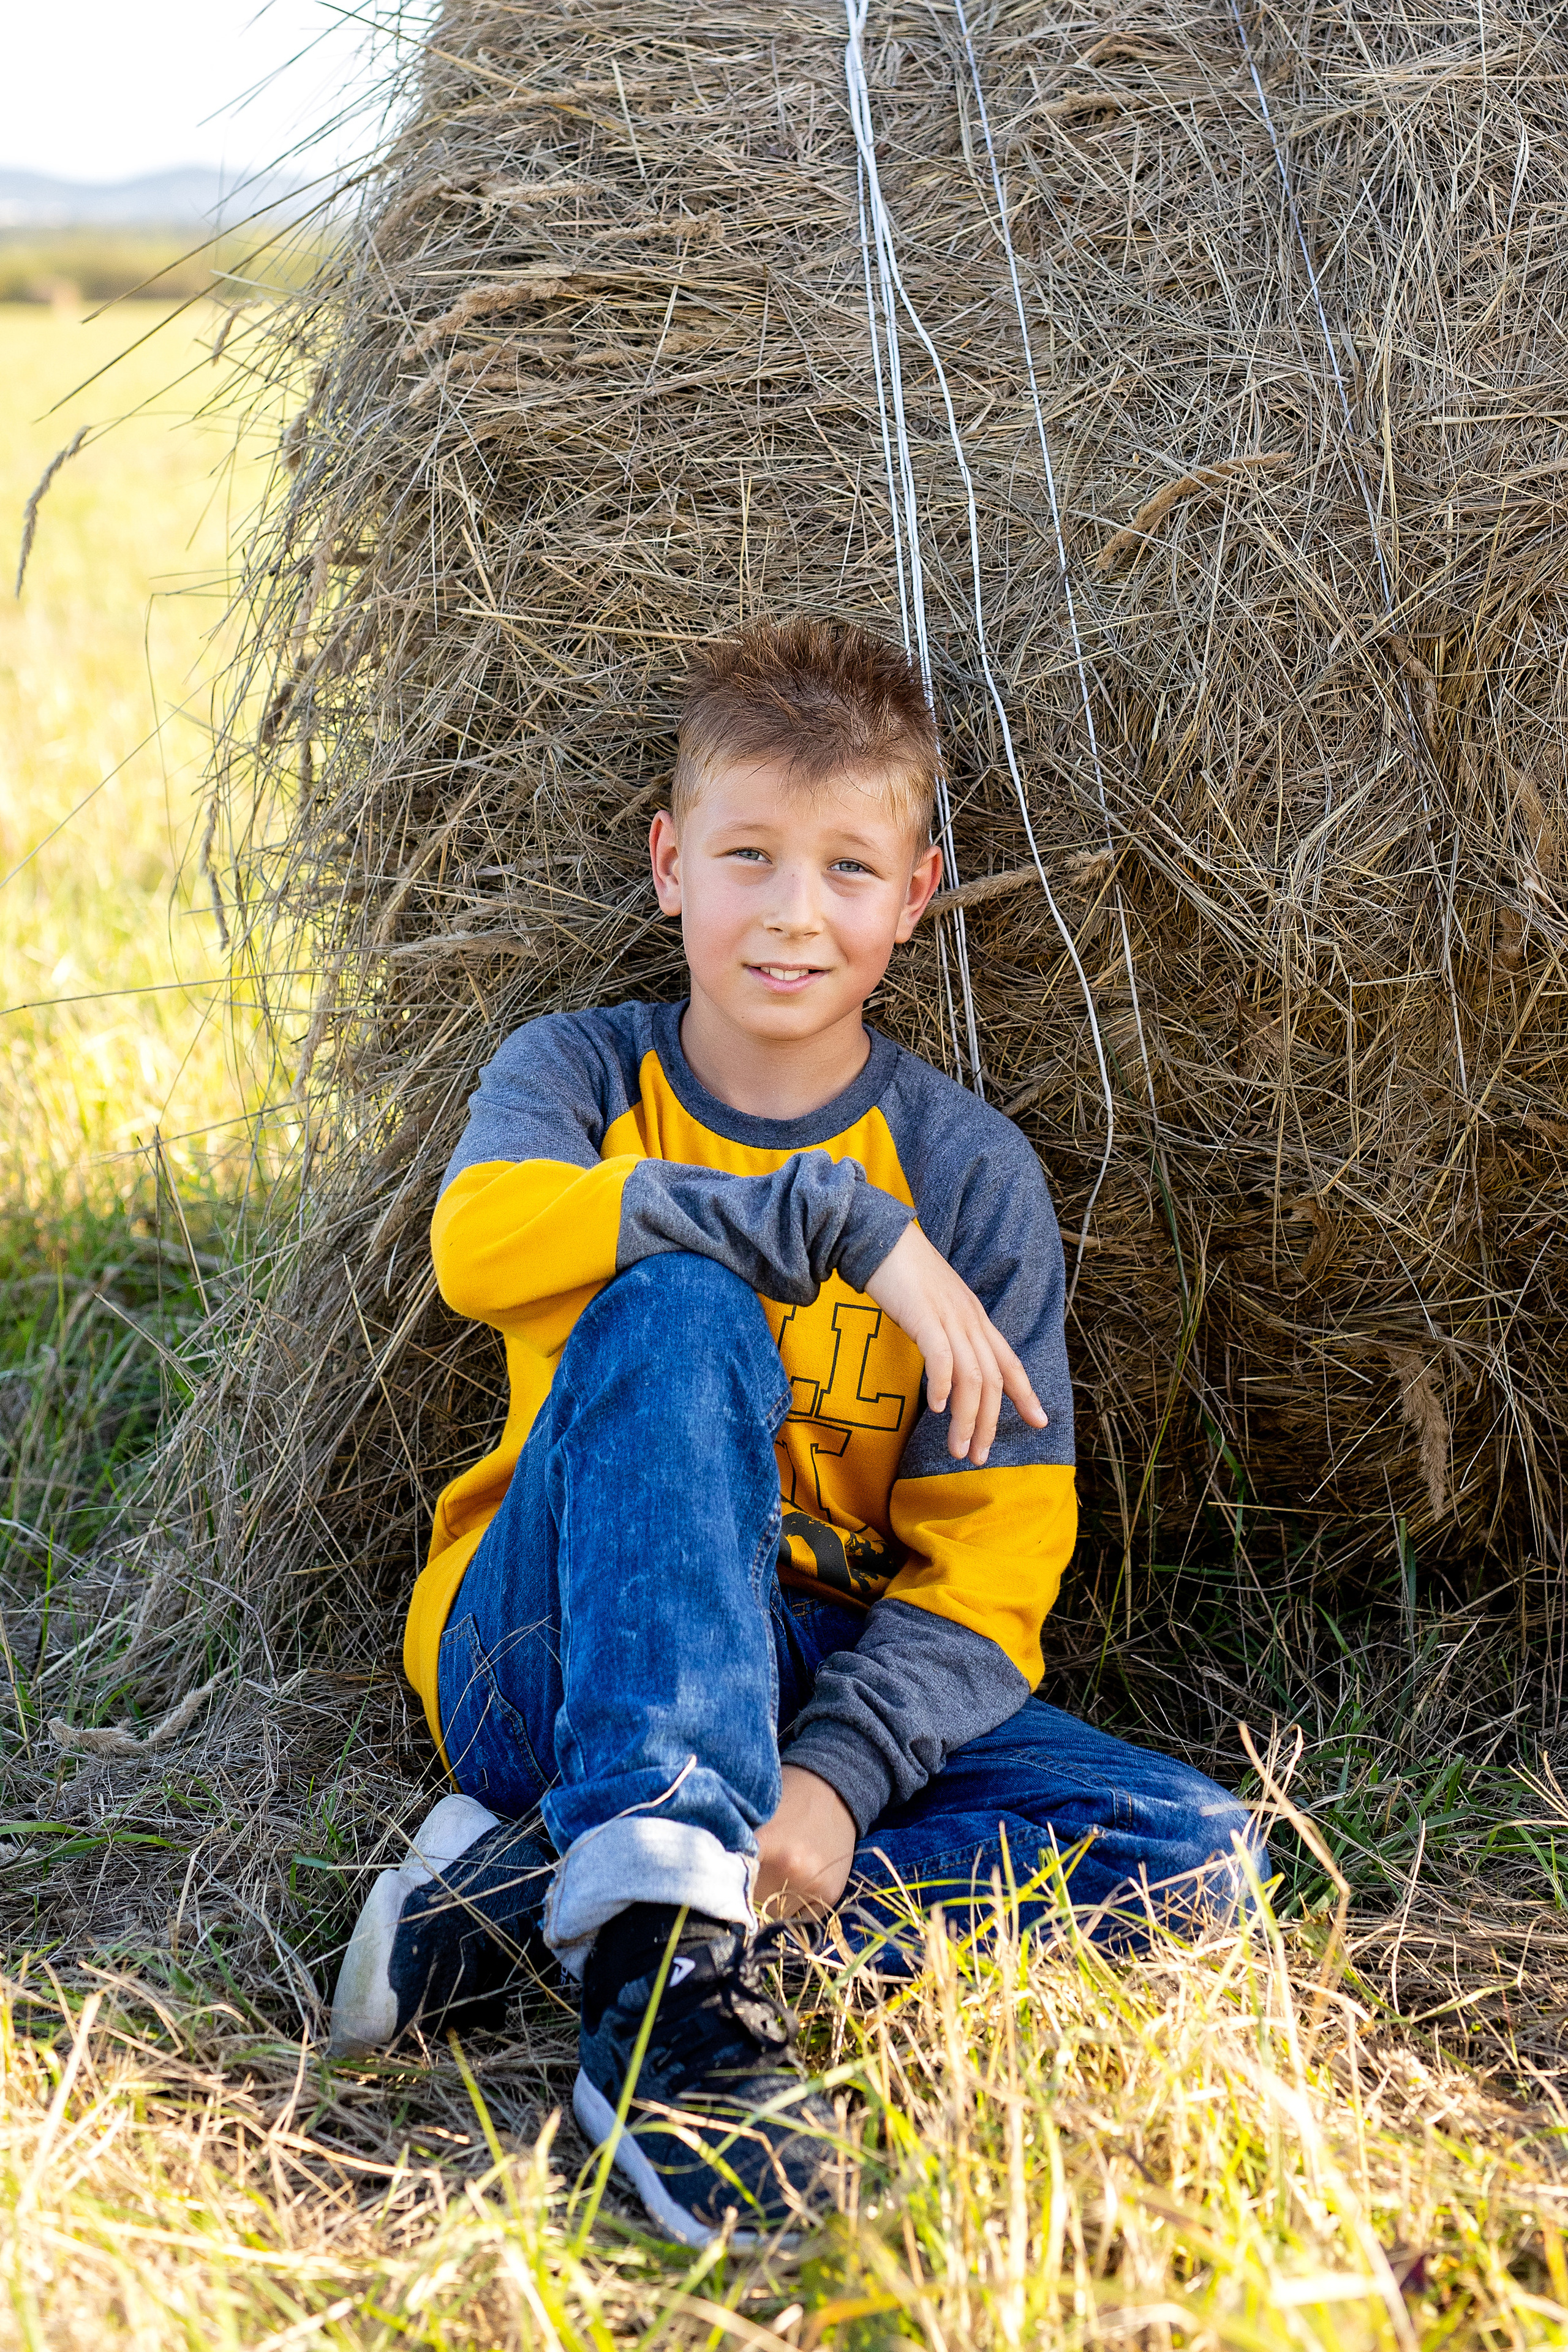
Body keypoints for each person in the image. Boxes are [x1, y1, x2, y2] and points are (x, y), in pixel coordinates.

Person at [329, 616, 1263, 2247]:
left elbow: (995, 1558)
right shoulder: (576, 1076)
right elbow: (477, 1246)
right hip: (547, 1641)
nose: (791, 912)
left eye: (845, 868)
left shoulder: (968, 1180)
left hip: (808, 1662)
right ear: (669, 864)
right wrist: (819, 1219)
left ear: (913, 898)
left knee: (1195, 1861)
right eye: (749, 856)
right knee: (680, 1307)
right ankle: (676, 2053)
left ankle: (554, 1899)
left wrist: (833, 1781)